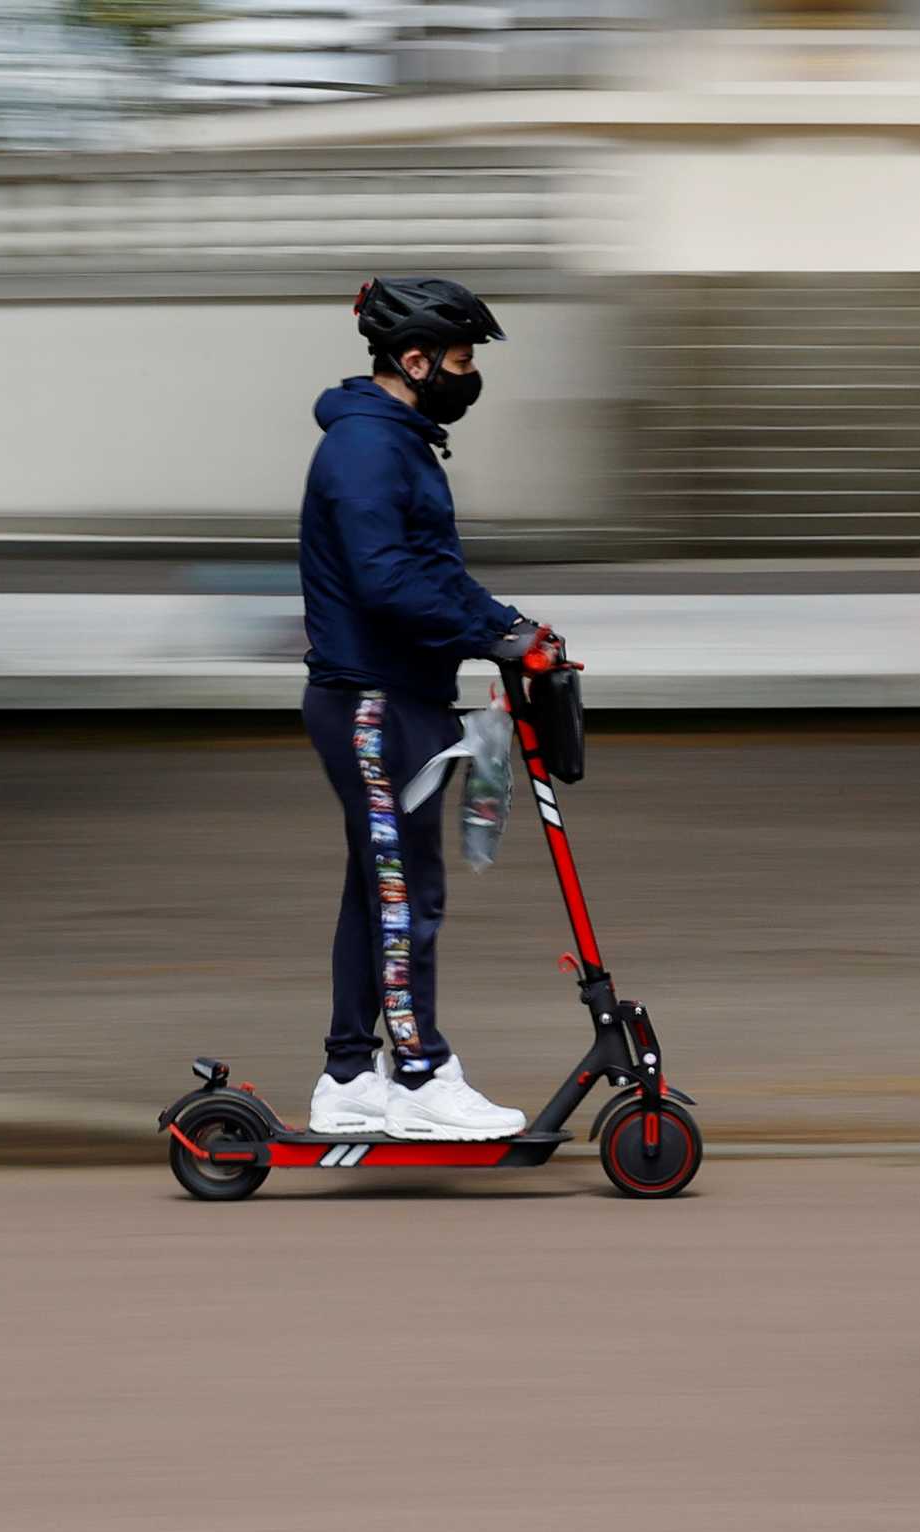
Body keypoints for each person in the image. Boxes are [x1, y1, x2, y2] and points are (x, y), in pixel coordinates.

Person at [297, 275, 555, 1140]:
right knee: (407, 894)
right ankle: (416, 1075)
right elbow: (388, 580)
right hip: (375, 704)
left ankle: (346, 1076)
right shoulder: (369, 450)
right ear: (413, 360)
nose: (468, 372)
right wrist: (494, 635)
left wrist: (507, 625)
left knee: (379, 890)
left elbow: (433, 572)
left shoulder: (398, 441)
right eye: (460, 357)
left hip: (395, 696)